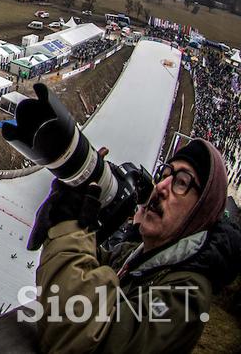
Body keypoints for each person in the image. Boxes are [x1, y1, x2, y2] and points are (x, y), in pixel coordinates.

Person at [31, 139, 241, 353]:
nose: (160, 187)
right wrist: (82, 216)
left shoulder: (185, 297)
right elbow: (89, 270)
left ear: (201, 211)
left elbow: (75, 333)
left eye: (181, 182)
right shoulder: (134, 256)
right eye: (165, 174)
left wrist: (70, 225)